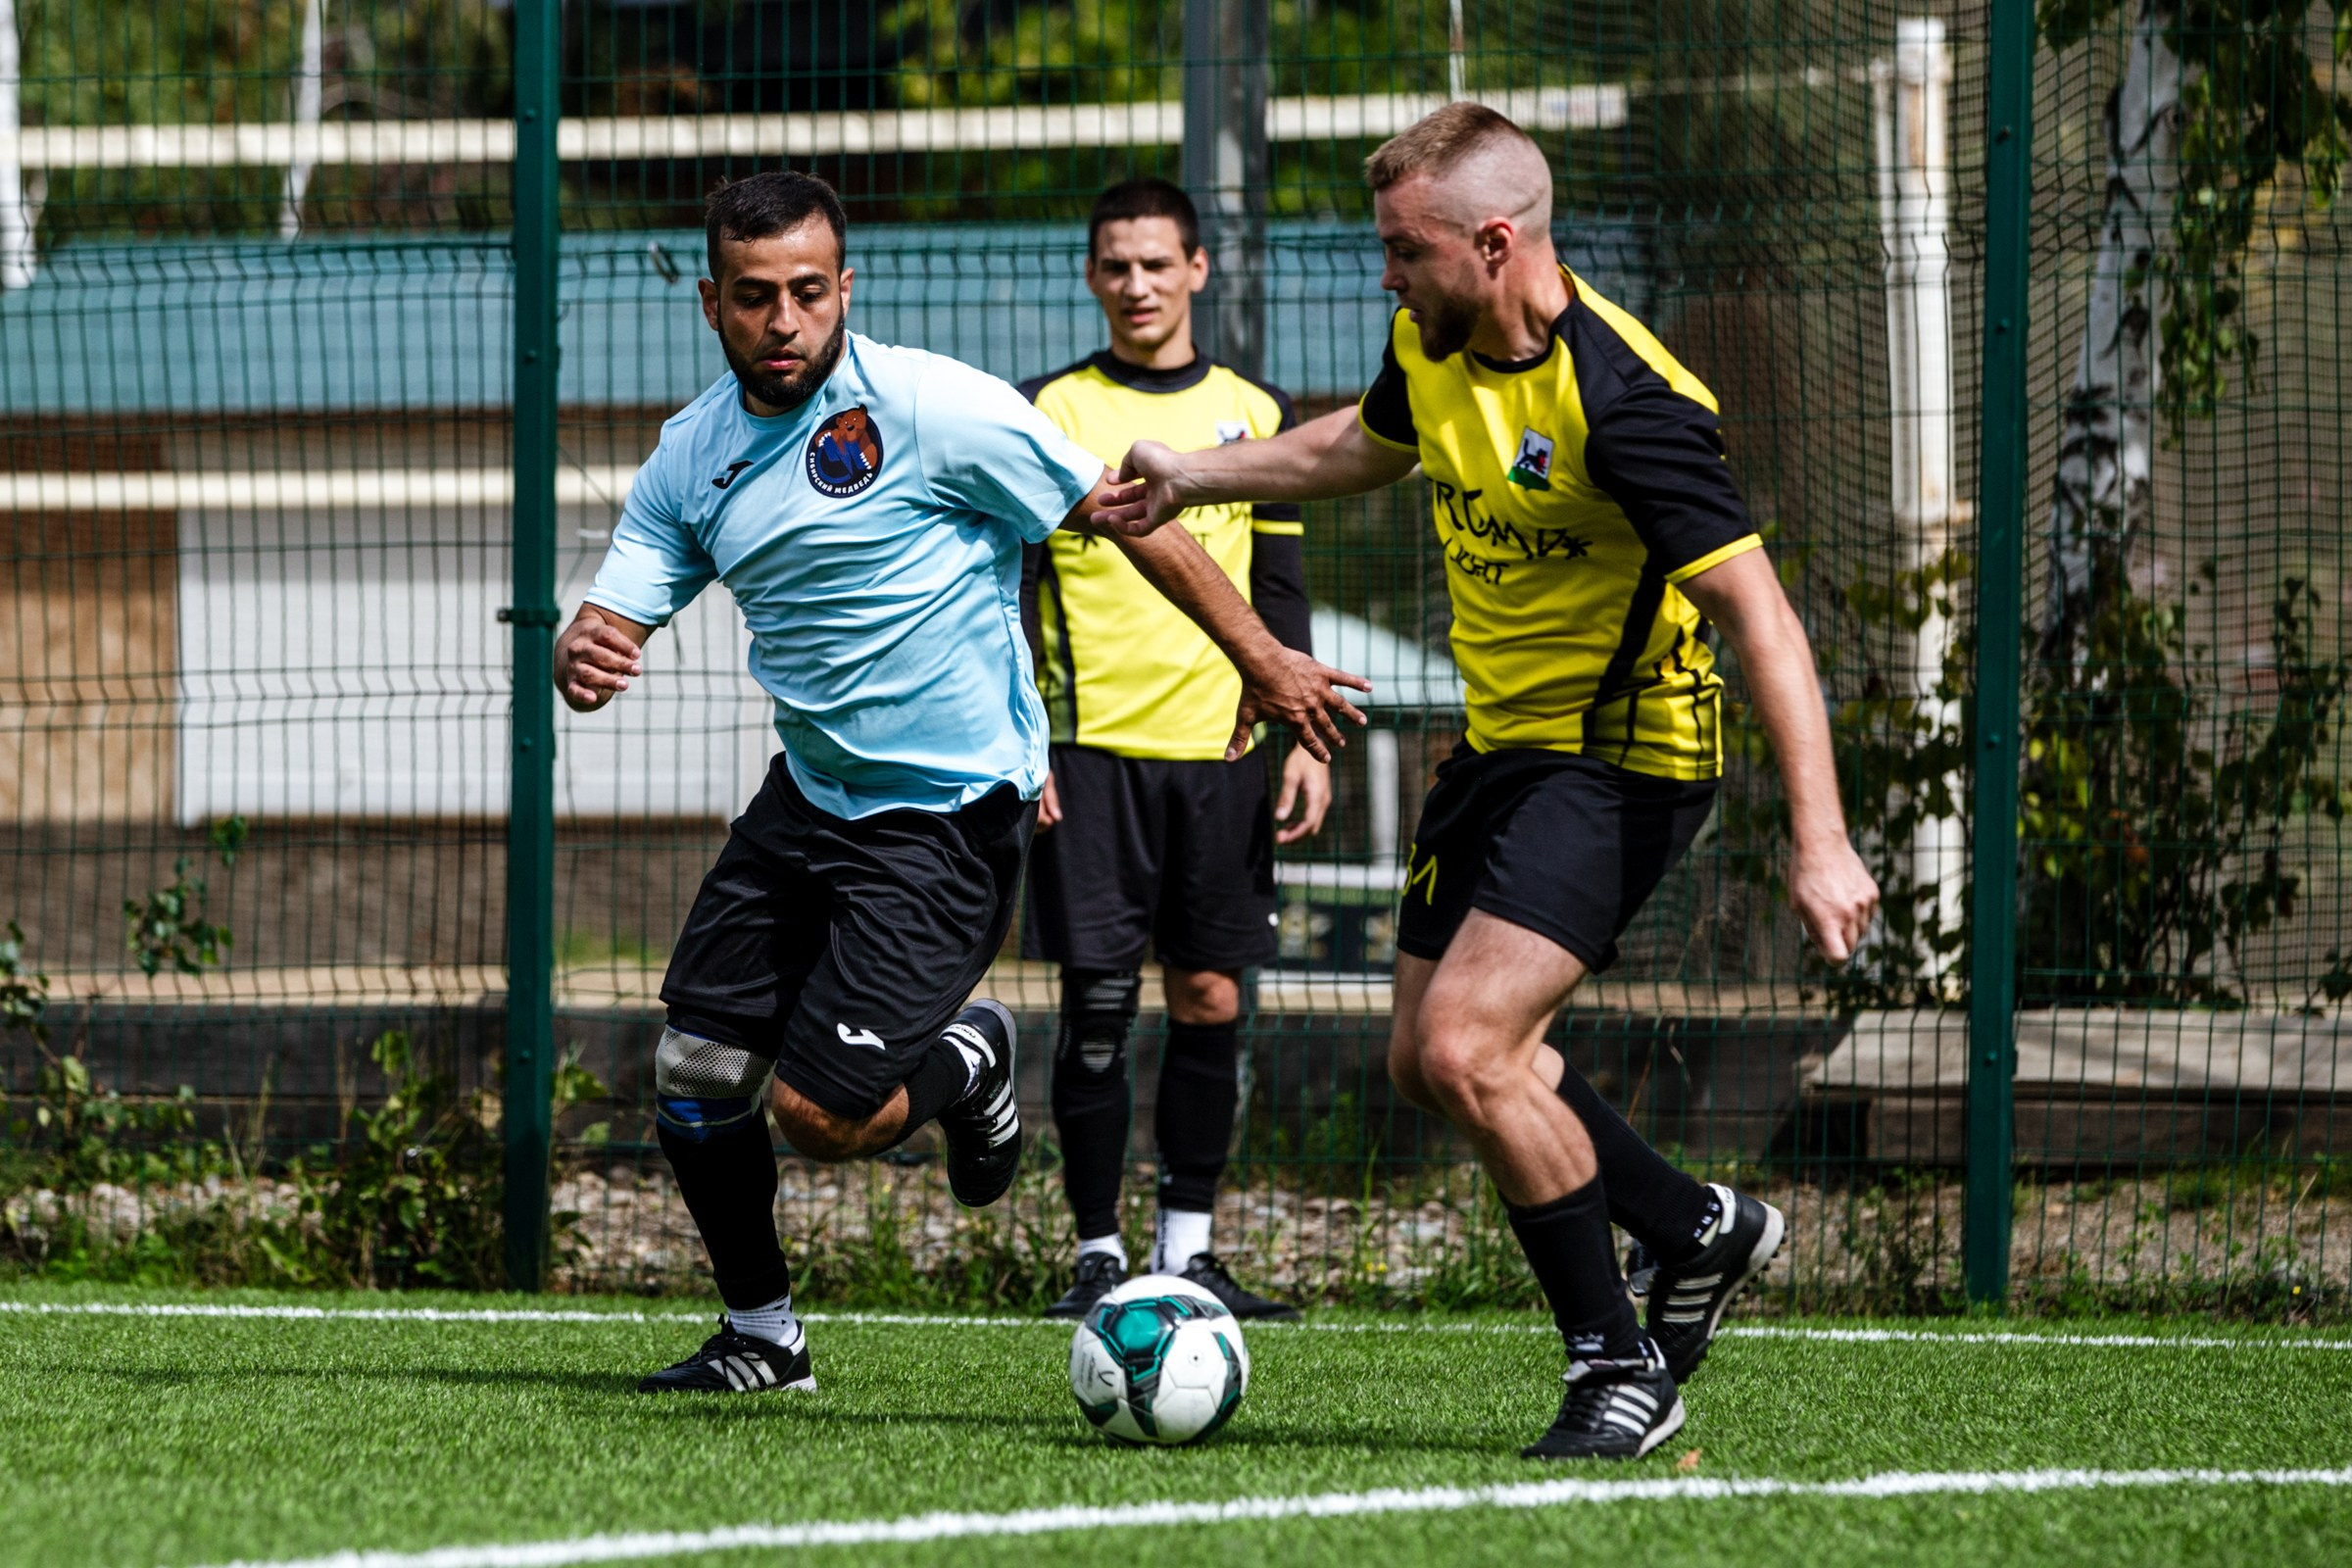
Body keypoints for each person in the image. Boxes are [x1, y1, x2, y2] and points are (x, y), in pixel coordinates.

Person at [1095, 105, 1881, 1459]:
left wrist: (1821, 838)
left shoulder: (1630, 407)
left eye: (1405, 251)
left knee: (1470, 1046)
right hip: (1500, 747)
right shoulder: (1433, 337)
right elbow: (1363, 446)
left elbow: (1763, 618)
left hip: (1624, 756)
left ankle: (1618, 1370)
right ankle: (1699, 1230)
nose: (1384, 278)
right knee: (1425, 1062)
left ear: (1497, 242)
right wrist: (1194, 471)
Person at [555, 171, 1367, 1395]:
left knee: (819, 1118)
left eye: (810, 293)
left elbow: (1126, 513)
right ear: (713, 303)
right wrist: (586, 646)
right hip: (809, 796)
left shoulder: (937, 407)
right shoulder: (692, 453)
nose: (785, 321)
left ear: (844, 290)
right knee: (698, 1072)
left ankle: (969, 1058)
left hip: (942, 821)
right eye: (758, 297)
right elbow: (619, 602)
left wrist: (1260, 656)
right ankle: (765, 1337)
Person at [1019, 178, 1326, 1322]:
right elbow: (1014, 584)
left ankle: (1188, 1252)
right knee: (1097, 1006)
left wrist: (1306, 738)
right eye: (1116, 265)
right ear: (1093, 277)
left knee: (1208, 997)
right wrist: (1024, 739)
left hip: (1225, 756)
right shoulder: (1048, 409)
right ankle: (1097, 1254)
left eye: (1158, 263)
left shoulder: (1258, 408)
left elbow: (1282, 591)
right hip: (1089, 755)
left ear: (1197, 270)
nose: (1138, 285)